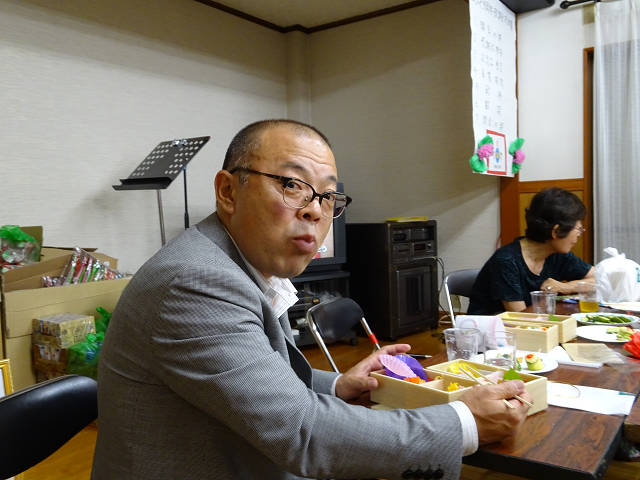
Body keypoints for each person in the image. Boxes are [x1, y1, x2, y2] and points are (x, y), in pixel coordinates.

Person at [92, 119, 530, 480]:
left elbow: (263, 374)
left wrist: (339, 384)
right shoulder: (196, 282)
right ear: (228, 192)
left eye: (327, 196)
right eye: (292, 185)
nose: (315, 210)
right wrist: (464, 421)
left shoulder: (245, 264)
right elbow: (303, 432)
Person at [468, 187, 595, 315]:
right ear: (556, 231)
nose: (580, 234)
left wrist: (566, 287)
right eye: (578, 229)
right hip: (492, 325)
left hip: (533, 323)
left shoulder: (557, 254)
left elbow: (599, 279)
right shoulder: (506, 261)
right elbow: (521, 317)